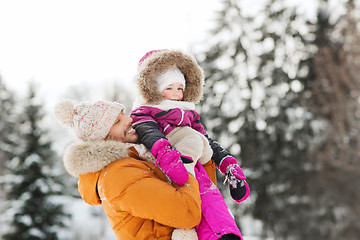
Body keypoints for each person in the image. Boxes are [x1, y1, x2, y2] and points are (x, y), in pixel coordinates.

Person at [131, 49, 247, 240]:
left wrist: (226, 162)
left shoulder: (188, 113)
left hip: (197, 173)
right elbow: (149, 133)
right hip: (168, 170)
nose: (176, 95)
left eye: (180, 88)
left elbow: (205, 140)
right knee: (191, 215)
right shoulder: (143, 112)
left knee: (218, 217)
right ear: (152, 88)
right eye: (169, 88)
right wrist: (168, 157)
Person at [54, 99, 205, 240]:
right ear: (103, 138)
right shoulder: (118, 176)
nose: (129, 119)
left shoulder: (128, 162)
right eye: (117, 121)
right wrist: (185, 165)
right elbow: (187, 213)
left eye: (123, 115)